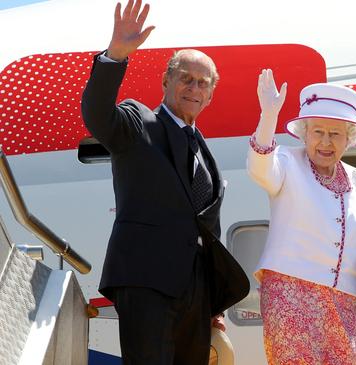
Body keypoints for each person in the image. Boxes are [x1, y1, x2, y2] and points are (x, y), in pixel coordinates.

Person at [81, 1, 249, 363]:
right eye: (186, 78)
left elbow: (206, 228)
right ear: (166, 81)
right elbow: (97, 115)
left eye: (202, 83)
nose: (194, 87)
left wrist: (212, 303)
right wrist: (115, 56)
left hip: (196, 292)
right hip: (146, 280)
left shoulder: (205, 151)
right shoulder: (137, 122)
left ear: (210, 95)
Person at [247, 69, 356, 364]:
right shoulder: (287, 161)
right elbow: (260, 170)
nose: (326, 142)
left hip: (347, 303)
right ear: (305, 134)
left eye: (335, 134)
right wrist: (268, 115)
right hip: (291, 294)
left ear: (349, 141)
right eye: (318, 132)